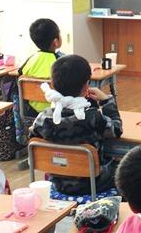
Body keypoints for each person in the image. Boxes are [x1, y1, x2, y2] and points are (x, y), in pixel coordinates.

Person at [29, 55, 122, 195]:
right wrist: (106, 101)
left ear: (52, 85)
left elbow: (33, 140)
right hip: (94, 183)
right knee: (125, 166)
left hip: (58, 182)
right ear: (86, 86)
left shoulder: (43, 119)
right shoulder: (93, 117)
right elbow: (116, 129)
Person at [19, 18, 63, 113]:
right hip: (58, 110)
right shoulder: (61, 62)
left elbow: (20, 73)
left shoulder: (31, 59)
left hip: (33, 111)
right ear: (55, 41)